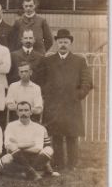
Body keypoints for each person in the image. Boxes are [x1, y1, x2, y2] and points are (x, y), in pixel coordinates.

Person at [37, 29, 92, 170]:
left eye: (66, 42)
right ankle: (58, 163)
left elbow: (87, 82)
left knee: (72, 135)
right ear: (56, 43)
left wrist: (78, 95)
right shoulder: (47, 61)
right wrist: (47, 94)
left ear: (70, 43)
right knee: (56, 135)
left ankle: (72, 164)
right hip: (54, 104)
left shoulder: (79, 61)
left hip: (72, 104)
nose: (63, 45)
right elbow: (39, 79)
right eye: (60, 42)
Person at [3, 102, 59, 180]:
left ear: (31, 112)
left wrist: (18, 145)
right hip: (16, 157)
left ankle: (26, 172)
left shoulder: (39, 127)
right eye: (21, 110)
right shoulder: (10, 126)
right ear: (17, 112)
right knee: (7, 157)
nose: (23, 113)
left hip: (35, 157)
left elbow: (38, 148)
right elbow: (8, 146)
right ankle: (34, 172)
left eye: (26, 110)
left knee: (49, 150)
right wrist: (30, 144)